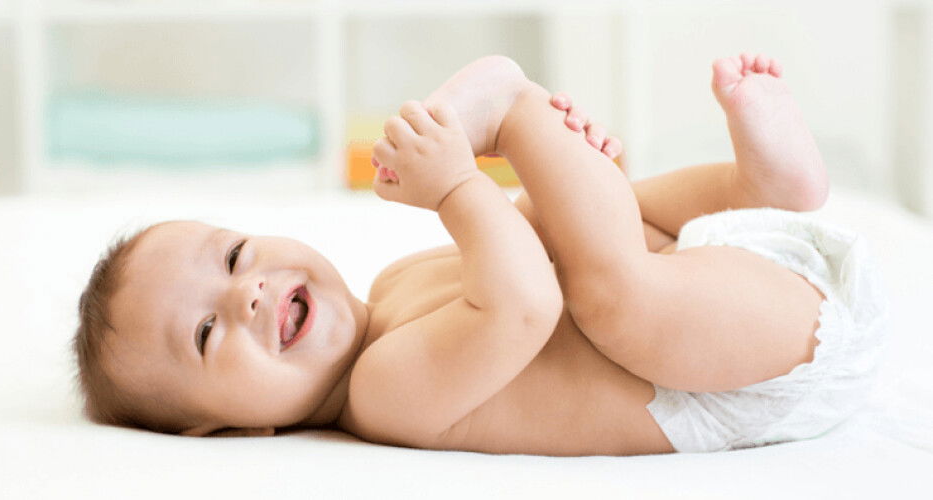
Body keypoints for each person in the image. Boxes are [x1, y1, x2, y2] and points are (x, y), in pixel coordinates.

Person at [73, 54, 886, 455]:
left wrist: (569, 179)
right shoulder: (380, 396)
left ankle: (757, 189)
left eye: (234, 257)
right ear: (230, 430)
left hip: (721, 285)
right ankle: (509, 103)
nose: (245, 295)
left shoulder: (393, 282)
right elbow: (526, 306)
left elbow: (529, 238)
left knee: (615, 229)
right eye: (206, 333)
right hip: (738, 378)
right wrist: (466, 180)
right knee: (618, 302)